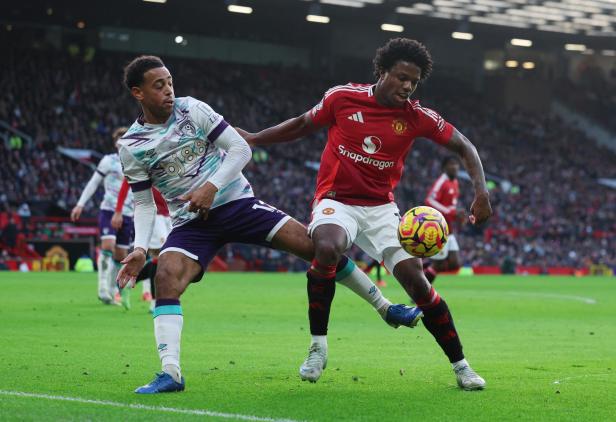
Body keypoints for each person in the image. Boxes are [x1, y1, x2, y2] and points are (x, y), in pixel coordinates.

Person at [115, 55, 422, 394]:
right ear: (138, 93)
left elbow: (239, 149)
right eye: (159, 86)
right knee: (166, 277)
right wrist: (140, 248)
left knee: (319, 249)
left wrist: (211, 186)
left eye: (170, 82)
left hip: (237, 204)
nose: (169, 91)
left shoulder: (192, 109)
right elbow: (143, 202)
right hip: (192, 223)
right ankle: (170, 372)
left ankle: (386, 307)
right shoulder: (131, 146)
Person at [238, 38, 492, 390]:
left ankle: (462, 366)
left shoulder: (416, 117)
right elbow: (300, 124)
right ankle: (317, 347)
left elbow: (464, 145)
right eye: (401, 77)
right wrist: (254, 138)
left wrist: (481, 191)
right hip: (336, 200)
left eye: (414, 82)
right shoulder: (343, 97)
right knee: (327, 247)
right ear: (383, 71)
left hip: (381, 209)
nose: (407, 86)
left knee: (418, 283)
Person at [71, 127, 134, 307]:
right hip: (108, 210)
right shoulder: (109, 161)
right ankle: (102, 289)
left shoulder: (136, 162)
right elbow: (93, 183)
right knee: (107, 246)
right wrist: (80, 204)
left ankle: (113, 290)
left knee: (121, 254)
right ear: (116, 143)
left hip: (128, 213)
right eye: (120, 139)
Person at [113, 179, 172, 308]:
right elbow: (125, 184)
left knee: (163, 259)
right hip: (154, 214)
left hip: (171, 213)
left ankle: (127, 285)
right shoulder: (142, 161)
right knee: (161, 257)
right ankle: (155, 302)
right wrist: (118, 211)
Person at [424, 156, 462, 282]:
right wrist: (449, 211)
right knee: (438, 265)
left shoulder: (455, 182)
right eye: (451, 164)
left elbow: (451, 207)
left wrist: (457, 215)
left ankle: (424, 270)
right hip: (439, 228)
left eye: (456, 164)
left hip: (449, 229)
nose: (454, 167)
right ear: (444, 167)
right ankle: (420, 292)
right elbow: (429, 200)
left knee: (455, 263)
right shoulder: (442, 182)